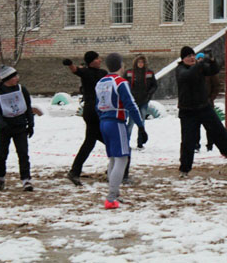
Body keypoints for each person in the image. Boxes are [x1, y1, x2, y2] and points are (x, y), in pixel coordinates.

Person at [95, 53, 148, 209]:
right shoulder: (120, 82)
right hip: (116, 122)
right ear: (120, 65)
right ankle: (111, 198)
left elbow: (96, 105)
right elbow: (131, 105)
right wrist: (141, 125)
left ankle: (115, 193)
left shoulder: (101, 82)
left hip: (104, 121)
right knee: (122, 159)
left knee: (113, 158)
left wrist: (103, 118)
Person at [176, 46, 227, 178]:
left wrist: (212, 60)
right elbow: (189, 75)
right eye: (188, 56)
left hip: (204, 107)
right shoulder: (180, 70)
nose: (192, 58)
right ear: (183, 59)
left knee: (219, 131)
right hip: (187, 111)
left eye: (193, 55)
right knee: (188, 141)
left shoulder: (199, 67)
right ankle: (184, 170)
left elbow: (214, 70)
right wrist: (200, 64)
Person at [62, 51, 107, 186]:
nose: (100, 60)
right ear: (92, 61)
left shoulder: (103, 73)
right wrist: (70, 64)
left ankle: (75, 171)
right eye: (97, 58)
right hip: (92, 111)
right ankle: (118, 168)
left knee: (90, 142)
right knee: (106, 141)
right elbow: (75, 70)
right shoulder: (86, 72)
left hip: (100, 110)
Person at [0, 65, 35, 191]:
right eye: (14, 76)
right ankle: (0, 178)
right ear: (7, 79)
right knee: (1, 154)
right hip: (5, 128)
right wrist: (1, 124)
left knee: (23, 153)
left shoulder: (22, 90)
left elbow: (28, 107)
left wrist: (30, 124)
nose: (17, 78)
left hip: (20, 126)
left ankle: (26, 179)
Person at [123, 55, 158, 149]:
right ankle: (126, 142)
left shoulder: (149, 73)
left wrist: (149, 94)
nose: (140, 64)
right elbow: (124, 84)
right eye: (139, 62)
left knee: (141, 122)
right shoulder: (129, 72)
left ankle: (140, 142)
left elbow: (154, 85)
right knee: (130, 122)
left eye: (142, 62)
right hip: (132, 101)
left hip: (144, 100)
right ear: (136, 63)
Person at [194, 48, 221, 152]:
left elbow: (216, 86)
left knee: (209, 125)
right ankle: (196, 145)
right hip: (196, 103)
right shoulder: (194, 70)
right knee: (196, 125)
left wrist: (211, 98)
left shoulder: (209, 71)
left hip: (208, 103)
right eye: (198, 58)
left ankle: (210, 145)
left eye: (202, 58)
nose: (200, 60)